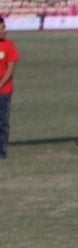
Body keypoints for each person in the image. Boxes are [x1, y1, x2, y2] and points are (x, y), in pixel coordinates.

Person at [0, 18, 18, 161]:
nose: (4, 31)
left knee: (2, 121)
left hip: (4, 91)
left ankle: (2, 151)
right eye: (1, 28)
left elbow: (10, 69)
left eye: (4, 27)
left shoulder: (9, 46)